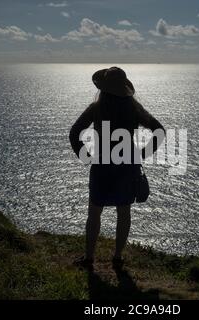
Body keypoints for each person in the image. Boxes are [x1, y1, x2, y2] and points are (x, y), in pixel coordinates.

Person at [69, 67, 165, 269]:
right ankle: (118, 257)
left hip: (102, 165)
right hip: (127, 165)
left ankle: (89, 258)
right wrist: (142, 154)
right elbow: (159, 131)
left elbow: (75, 132)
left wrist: (87, 158)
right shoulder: (133, 108)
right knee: (124, 212)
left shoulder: (96, 108)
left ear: (103, 88)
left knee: (94, 213)